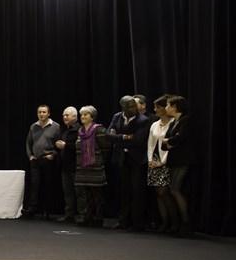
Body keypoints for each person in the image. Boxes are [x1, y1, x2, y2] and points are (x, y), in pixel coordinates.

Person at [106, 95, 150, 231]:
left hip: (136, 159)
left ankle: (137, 223)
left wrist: (118, 137)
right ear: (123, 108)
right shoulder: (117, 117)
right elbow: (108, 136)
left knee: (137, 191)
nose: (133, 108)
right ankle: (123, 221)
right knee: (123, 190)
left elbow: (138, 140)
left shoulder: (143, 120)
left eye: (134, 105)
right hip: (121, 158)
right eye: (130, 106)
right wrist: (125, 137)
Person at [74, 105, 110, 227]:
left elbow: (106, 147)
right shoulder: (80, 131)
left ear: (92, 117)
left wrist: (98, 160)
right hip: (82, 167)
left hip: (95, 167)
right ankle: (87, 216)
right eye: (82, 115)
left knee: (97, 194)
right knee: (86, 194)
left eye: (86, 114)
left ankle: (98, 218)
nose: (83, 117)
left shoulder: (99, 130)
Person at [162, 95, 192, 236]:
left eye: (168, 105)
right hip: (174, 159)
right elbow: (166, 142)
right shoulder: (174, 121)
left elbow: (180, 138)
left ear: (175, 107)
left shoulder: (186, 120)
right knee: (172, 189)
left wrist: (169, 141)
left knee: (175, 189)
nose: (166, 108)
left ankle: (186, 223)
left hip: (183, 160)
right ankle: (177, 223)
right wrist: (169, 142)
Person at [24, 104, 60, 219]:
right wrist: (30, 156)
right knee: (34, 185)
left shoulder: (55, 126)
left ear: (48, 113)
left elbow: (59, 143)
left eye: (44, 112)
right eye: (39, 112)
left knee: (48, 185)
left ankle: (47, 210)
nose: (41, 114)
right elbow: (28, 143)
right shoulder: (33, 126)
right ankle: (32, 209)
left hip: (48, 160)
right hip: (35, 160)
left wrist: (53, 154)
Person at [146, 95, 174, 233]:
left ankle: (174, 221)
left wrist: (162, 163)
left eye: (158, 107)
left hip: (166, 161)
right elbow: (150, 144)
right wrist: (150, 160)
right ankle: (164, 222)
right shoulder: (155, 124)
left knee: (165, 192)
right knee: (158, 193)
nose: (155, 110)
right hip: (155, 160)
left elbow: (171, 145)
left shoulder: (173, 123)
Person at [54, 106, 80, 223]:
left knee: (78, 192)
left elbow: (80, 147)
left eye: (67, 115)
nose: (64, 117)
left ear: (74, 116)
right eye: (63, 115)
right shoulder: (64, 130)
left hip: (76, 166)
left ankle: (81, 215)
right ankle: (69, 214)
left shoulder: (79, 130)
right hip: (65, 166)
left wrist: (66, 145)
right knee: (68, 192)